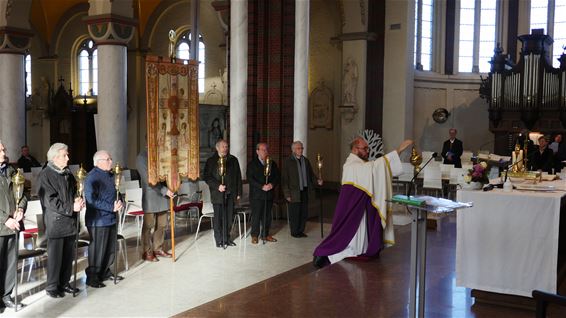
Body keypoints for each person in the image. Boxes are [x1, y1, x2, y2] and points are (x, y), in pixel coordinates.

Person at [313, 137, 413, 268]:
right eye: (365, 149)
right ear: (355, 149)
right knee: (349, 238)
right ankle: (329, 254)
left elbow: (374, 168)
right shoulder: (351, 165)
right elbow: (374, 167)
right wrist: (398, 150)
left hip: (361, 210)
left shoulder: (359, 164)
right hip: (353, 212)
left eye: (368, 148)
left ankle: (359, 250)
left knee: (360, 237)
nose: (368, 151)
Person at [38, 143, 85, 298]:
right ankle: (52, 287)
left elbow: (72, 193)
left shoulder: (68, 173)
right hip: (56, 222)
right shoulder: (46, 175)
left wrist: (78, 200)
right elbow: (49, 201)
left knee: (68, 256)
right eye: (65, 155)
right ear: (55, 157)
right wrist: (72, 207)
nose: (68, 158)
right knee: (55, 257)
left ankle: (64, 283)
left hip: (70, 221)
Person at [84, 150, 124, 288]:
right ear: (99, 162)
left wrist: (120, 202)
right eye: (108, 159)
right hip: (98, 220)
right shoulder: (91, 177)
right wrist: (110, 207)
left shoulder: (112, 175)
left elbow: (118, 192)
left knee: (110, 248)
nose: (111, 161)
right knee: (98, 249)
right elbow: (91, 200)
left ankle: (105, 271)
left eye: (110, 159)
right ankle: (93, 277)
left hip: (111, 218)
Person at [0, 140, 26, 310]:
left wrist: (21, 209)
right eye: (1, 150)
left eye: (4, 149)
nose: (4, 153)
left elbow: (23, 195)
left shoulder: (11, 171)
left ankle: (6, 295)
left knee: (10, 264)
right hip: (2, 224)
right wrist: (4, 219)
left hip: (14, 225)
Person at [136, 148, 174, 262]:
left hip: (163, 194)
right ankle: (146, 251)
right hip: (151, 195)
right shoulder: (142, 157)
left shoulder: (160, 154)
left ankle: (158, 248)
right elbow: (149, 180)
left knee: (162, 224)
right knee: (149, 225)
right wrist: (164, 190)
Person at [203, 140, 242, 248]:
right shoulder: (211, 161)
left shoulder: (233, 160)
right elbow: (207, 177)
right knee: (218, 218)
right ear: (217, 148)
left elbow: (238, 176)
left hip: (231, 193)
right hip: (217, 194)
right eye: (223, 146)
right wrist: (217, 186)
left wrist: (238, 192)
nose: (225, 148)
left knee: (229, 217)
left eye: (226, 146)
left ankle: (227, 238)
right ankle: (219, 239)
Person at [282, 141, 322, 238]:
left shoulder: (306, 161)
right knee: (295, 213)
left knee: (303, 212)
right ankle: (294, 232)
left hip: (304, 190)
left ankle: (301, 230)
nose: (301, 150)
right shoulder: (288, 161)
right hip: (293, 192)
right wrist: (287, 194)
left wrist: (317, 181)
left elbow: (311, 175)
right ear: (294, 150)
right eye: (299, 148)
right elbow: (284, 179)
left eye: (302, 148)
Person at [247, 142, 280, 244]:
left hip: (269, 194)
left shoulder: (272, 163)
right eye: (263, 150)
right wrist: (261, 186)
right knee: (256, 216)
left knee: (267, 216)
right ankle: (254, 235)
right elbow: (250, 178)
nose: (266, 152)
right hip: (257, 195)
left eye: (266, 150)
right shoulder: (252, 164)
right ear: (257, 151)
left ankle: (265, 234)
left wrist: (272, 185)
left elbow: (277, 176)